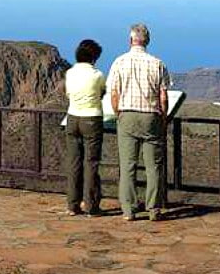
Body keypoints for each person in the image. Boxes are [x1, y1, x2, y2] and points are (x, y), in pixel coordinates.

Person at [107, 23, 170, 222]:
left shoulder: (119, 62)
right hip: (150, 116)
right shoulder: (158, 63)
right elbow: (163, 96)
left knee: (127, 165)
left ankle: (129, 209)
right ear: (148, 41)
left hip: (127, 116)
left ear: (130, 40)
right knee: (154, 166)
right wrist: (163, 117)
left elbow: (114, 93)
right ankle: (153, 209)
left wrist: (119, 113)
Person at [64, 38, 106, 216]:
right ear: (94, 57)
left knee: (74, 163)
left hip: (72, 118)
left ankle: (72, 205)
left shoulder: (69, 73)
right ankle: (91, 206)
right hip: (91, 119)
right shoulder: (97, 75)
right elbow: (102, 92)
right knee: (91, 163)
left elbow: (67, 93)